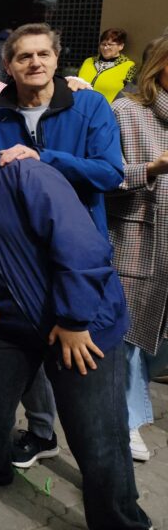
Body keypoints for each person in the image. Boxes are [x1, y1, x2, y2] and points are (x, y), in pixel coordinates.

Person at [0, 112, 149, 530]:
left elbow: (82, 248)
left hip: (79, 323)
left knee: (97, 434)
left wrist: (75, 320)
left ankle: (121, 520)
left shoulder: (24, 174)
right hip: (7, 323)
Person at [0, 22, 124, 470]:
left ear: (58, 60)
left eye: (43, 54)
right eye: (24, 56)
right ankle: (41, 434)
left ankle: (106, 477)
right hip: (20, 264)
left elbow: (110, 173)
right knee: (29, 362)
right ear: (8, 66)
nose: (35, 63)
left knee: (83, 379)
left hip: (78, 258)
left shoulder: (89, 105)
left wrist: (45, 159)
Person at [107, 36, 168, 462]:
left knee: (159, 341)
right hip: (139, 239)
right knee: (131, 333)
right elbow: (104, 176)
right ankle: (125, 420)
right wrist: (151, 168)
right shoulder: (127, 112)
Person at [79, 27, 136, 104]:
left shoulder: (129, 66)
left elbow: (129, 94)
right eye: (103, 44)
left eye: (110, 44)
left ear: (121, 46)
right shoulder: (88, 61)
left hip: (106, 109)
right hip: (80, 105)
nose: (105, 48)